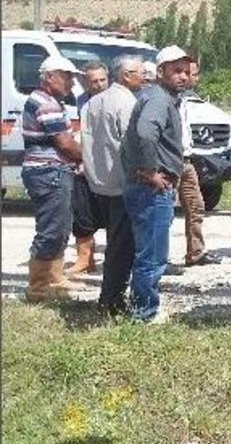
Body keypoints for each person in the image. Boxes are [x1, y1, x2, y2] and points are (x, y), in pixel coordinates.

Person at [121, 45, 192, 322]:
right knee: (152, 256)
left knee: (147, 253)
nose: (183, 76)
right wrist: (150, 171)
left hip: (146, 188)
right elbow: (146, 132)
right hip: (150, 189)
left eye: (186, 71)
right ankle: (145, 313)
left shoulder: (157, 97)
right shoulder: (159, 100)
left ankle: (142, 307)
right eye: (177, 71)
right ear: (160, 72)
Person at [21, 56, 88, 302]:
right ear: (50, 77)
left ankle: (55, 278)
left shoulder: (50, 101)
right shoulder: (46, 104)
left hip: (53, 171)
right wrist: (92, 158)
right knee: (51, 229)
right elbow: (65, 144)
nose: (71, 82)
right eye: (67, 76)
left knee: (60, 227)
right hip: (48, 172)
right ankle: (38, 287)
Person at [82, 55, 143, 315]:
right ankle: (112, 301)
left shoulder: (91, 103)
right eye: (140, 72)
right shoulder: (126, 102)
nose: (144, 77)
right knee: (122, 246)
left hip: (100, 183)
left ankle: (110, 297)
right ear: (126, 75)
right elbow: (132, 145)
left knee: (115, 242)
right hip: (122, 183)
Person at [70, 60, 111, 275]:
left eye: (102, 79)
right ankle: (85, 258)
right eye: (94, 81)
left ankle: (115, 258)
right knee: (82, 211)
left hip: (112, 165)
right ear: (85, 82)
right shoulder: (80, 102)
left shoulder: (116, 100)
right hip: (85, 162)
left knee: (114, 214)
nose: (99, 84)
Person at [176, 56, 217, 267]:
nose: (193, 78)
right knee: (162, 212)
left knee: (196, 206)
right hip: (170, 161)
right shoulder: (165, 99)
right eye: (192, 74)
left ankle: (196, 252)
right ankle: (157, 258)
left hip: (186, 160)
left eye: (190, 73)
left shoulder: (185, 98)